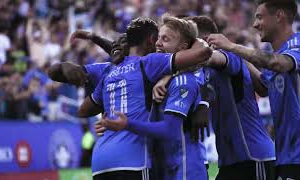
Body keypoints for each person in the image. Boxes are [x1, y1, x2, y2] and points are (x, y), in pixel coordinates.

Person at [79, 16, 212, 180]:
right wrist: (110, 121)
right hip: (161, 168)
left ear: (183, 48)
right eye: (157, 38)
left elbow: (170, 130)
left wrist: (127, 124)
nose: (157, 43)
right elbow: (128, 57)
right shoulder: (154, 73)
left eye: (165, 39)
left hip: (185, 169)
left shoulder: (184, 79)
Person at [154, 15, 276, 180]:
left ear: (203, 41)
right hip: (229, 160)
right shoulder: (195, 71)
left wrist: (202, 102)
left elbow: (206, 56)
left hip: (253, 157)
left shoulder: (227, 58)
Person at [207, 1, 300, 179]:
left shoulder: (295, 45)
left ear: (279, 16)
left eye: (259, 17)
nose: (255, 24)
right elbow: (264, 87)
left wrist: (232, 47)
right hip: (286, 155)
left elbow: (278, 63)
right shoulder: (276, 54)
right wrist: (234, 54)